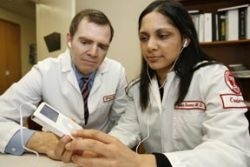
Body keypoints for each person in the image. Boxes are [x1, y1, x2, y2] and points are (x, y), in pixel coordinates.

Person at [63, 1, 250, 167]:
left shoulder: (213, 76)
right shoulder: (137, 88)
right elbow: (125, 131)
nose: (150, 46)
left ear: (185, 39)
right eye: (144, 38)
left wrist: (144, 162)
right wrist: (95, 148)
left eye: (162, 35)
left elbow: (232, 152)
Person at [0, 9, 127, 160]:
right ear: (70, 39)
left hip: (101, 158)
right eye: (85, 42)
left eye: (102, 46)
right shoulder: (44, 71)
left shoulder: (117, 72)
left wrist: (102, 149)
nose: (93, 53)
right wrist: (43, 142)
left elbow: (124, 122)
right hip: (58, 158)